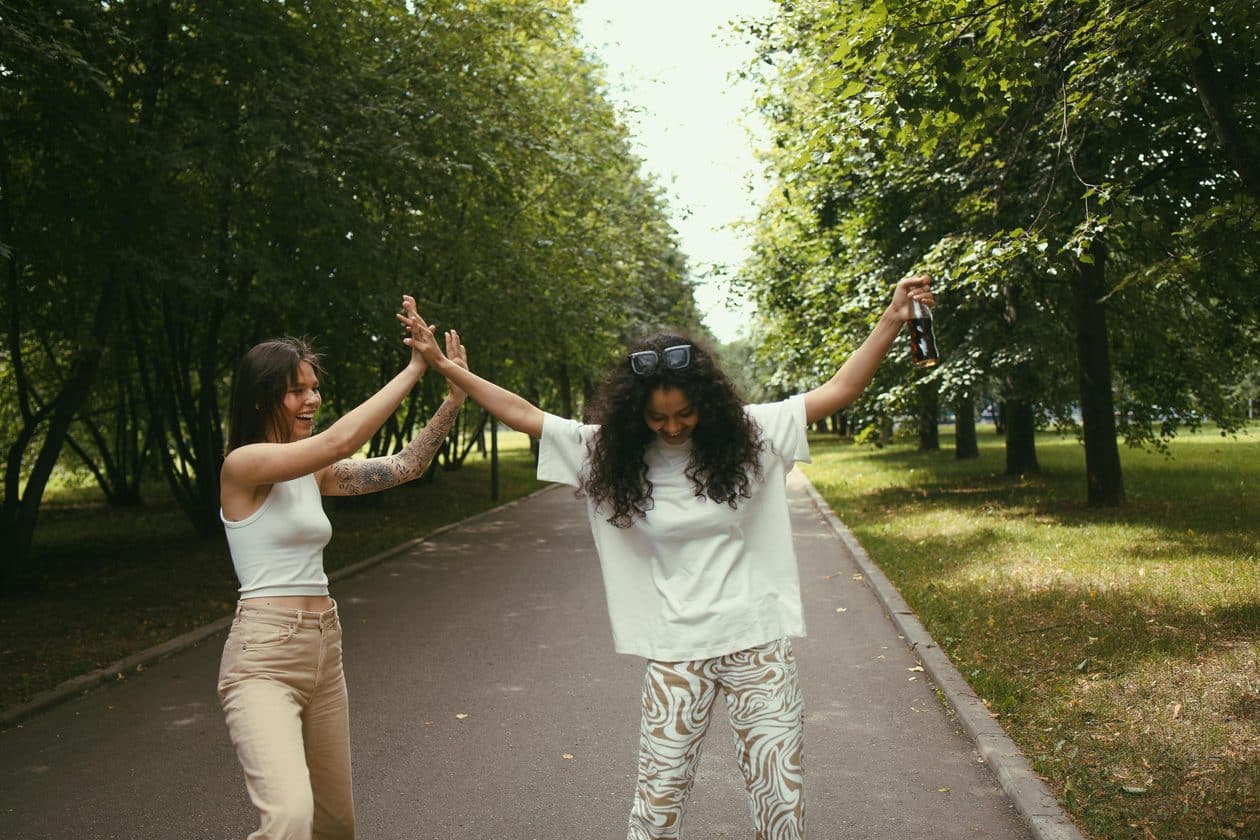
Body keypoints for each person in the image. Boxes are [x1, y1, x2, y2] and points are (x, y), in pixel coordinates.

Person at [403, 275, 934, 839]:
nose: (674, 426)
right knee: (657, 803)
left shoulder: (752, 435)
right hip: (676, 652)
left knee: (781, 802)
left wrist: (894, 317)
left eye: (684, 414)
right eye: (659, 418)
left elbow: (838, 390)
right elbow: (524, 414)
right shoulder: (611, 452)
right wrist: (446, 367)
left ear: (703, 402)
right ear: (637, 415)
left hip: (756, 643)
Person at [217, 298, 466, 840]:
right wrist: (415, 367)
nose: (313, 399)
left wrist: (453, 398)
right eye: (297, 389)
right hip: (263, 658)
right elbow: (341, 439)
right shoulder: (244, 464)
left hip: (324, 652)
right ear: (263, 397)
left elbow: (404, 466)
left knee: (335, 826)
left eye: (314, 387)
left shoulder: (313, 471)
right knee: (287, 818)